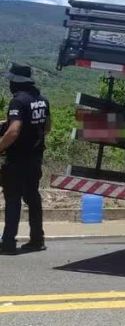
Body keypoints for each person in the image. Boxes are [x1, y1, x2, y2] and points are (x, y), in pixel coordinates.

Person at [0, 64, 51, 255]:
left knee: (13, 199)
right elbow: (47, 127)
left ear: (17, 82)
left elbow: (13, 131)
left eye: (11, 80)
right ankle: (37, 239)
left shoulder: (18, 102)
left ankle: (8, 243)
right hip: (35, 158)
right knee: (32, 197)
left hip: (17, 159)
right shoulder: (42, 100)